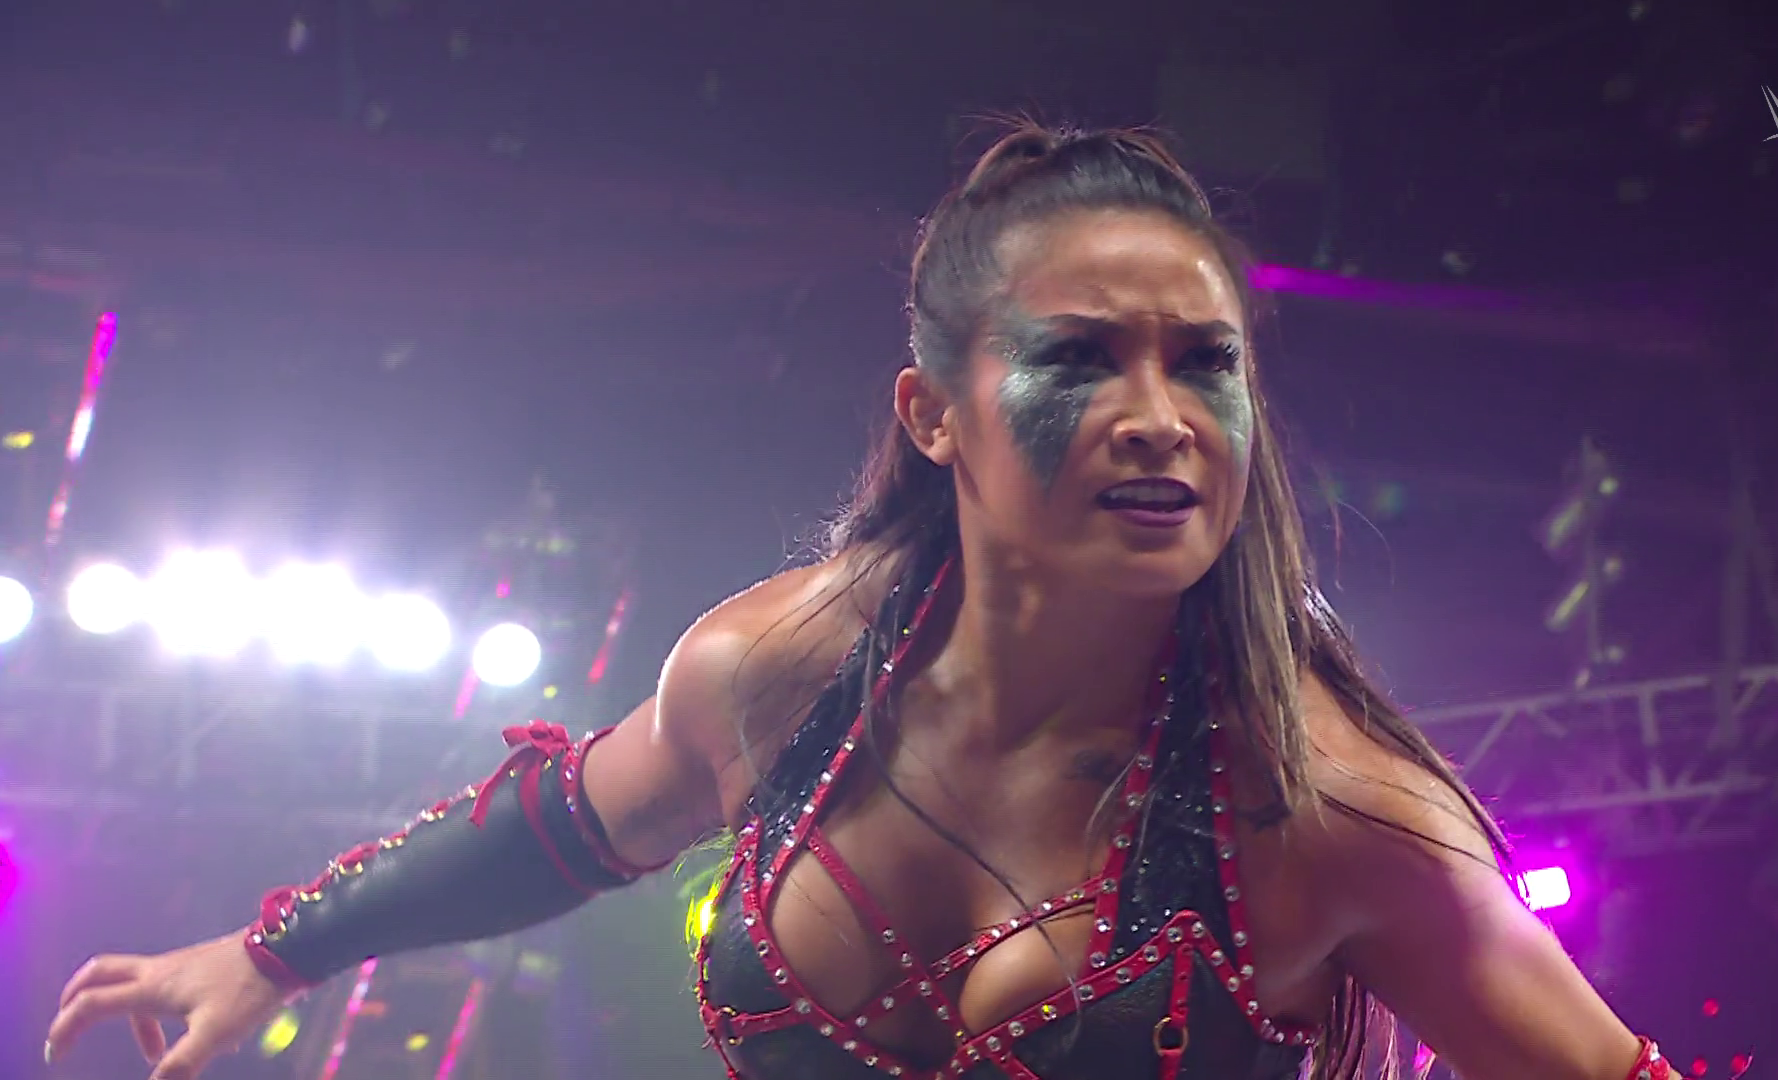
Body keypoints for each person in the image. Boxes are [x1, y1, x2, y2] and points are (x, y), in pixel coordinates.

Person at [44, 123, 1674, 1080]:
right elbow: (565, 819)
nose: (1161, 418)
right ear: (932, 416)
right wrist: (272, 952)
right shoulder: (775, 668)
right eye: (1081, 358)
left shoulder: (1329, 808)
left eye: (1207, 364)